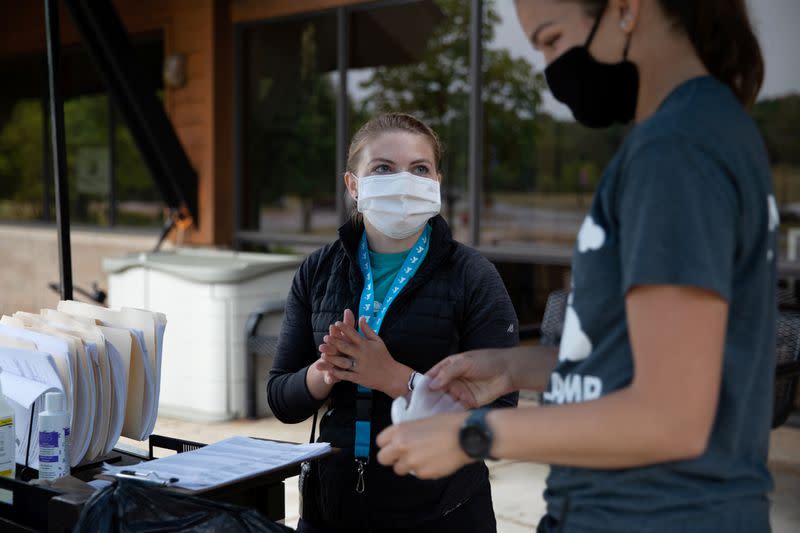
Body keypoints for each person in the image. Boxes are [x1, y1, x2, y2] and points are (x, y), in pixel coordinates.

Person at [376, 1, 776, 532]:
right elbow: (635, 357)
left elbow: (671, 417)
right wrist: (512, 368)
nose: (550, 69)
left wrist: (473, 435)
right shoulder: (700, 131)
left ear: (628, 10)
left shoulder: (676, 149)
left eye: (551, 39)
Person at [267, 112, 519, 533]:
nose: (403, 181)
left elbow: (500, 411)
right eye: (383, 168)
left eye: (419, 169)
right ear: (353, 185)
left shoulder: (473, 276)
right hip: (331, 509)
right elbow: (280, 397)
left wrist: (397, 379)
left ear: (436, 181)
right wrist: (324, 372)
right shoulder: (317, 270)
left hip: (440, 512)